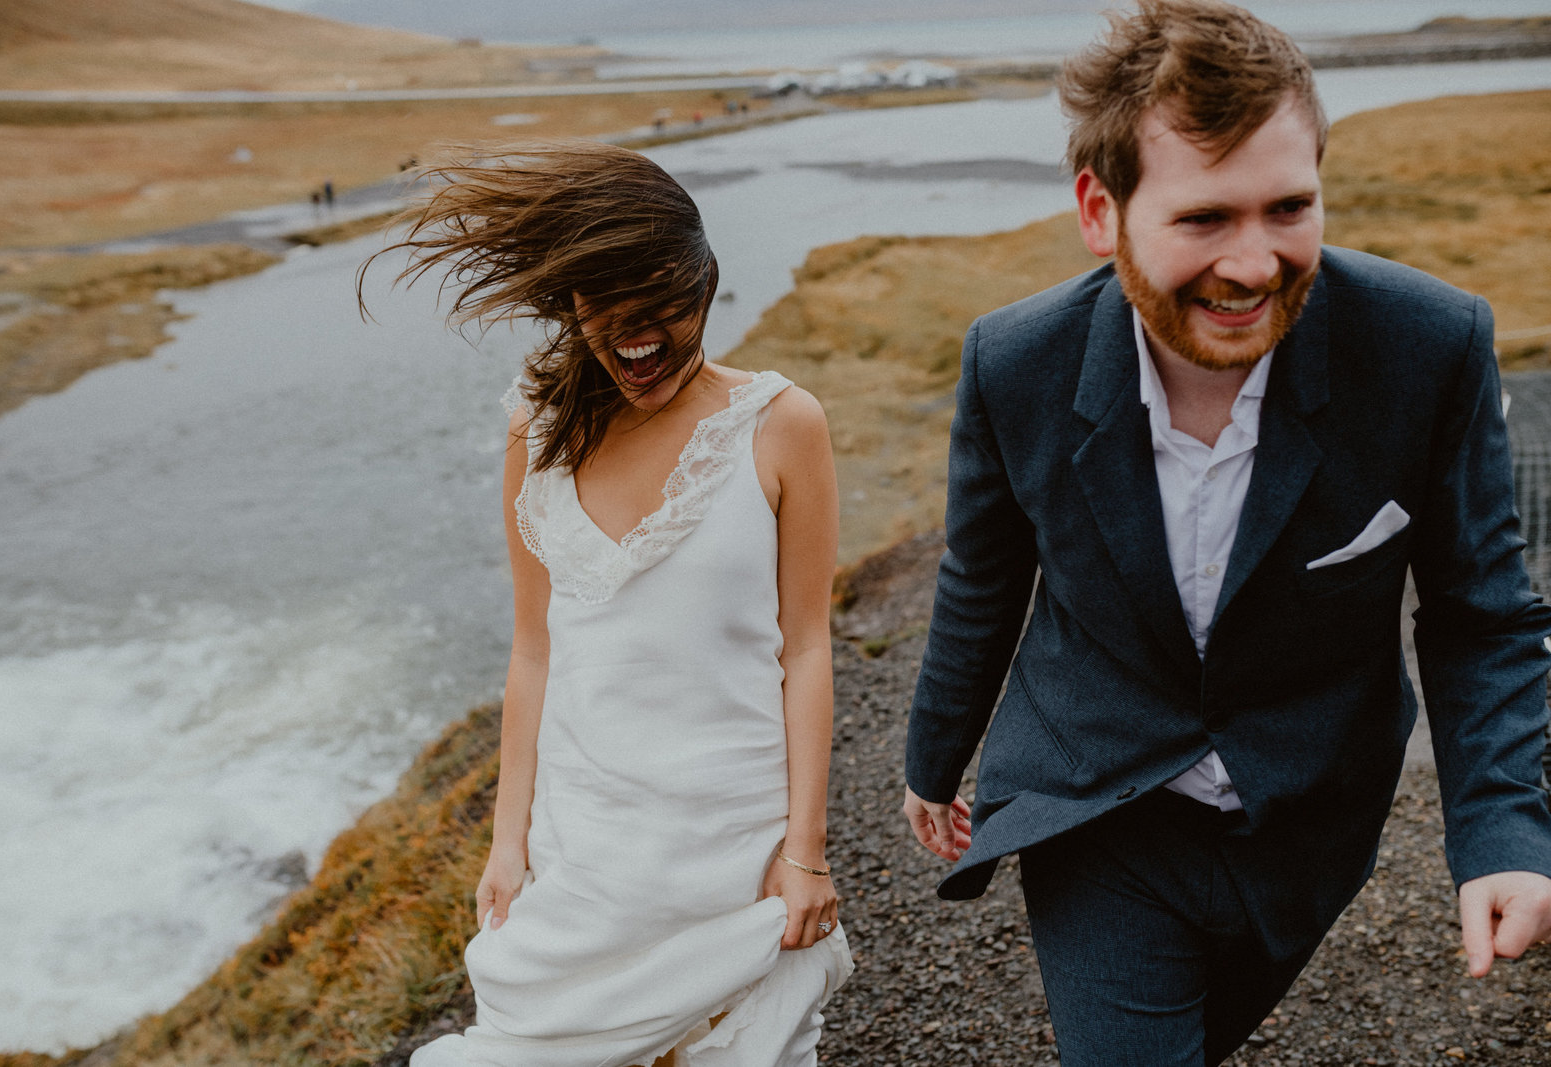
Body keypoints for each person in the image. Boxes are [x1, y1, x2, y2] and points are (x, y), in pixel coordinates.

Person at [900, 2, 1551, 1063]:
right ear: (1098, 212)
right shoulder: (1014, 364)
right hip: (1095, 802)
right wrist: (932, 761)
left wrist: (1504, 833)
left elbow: (1481, 612)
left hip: (1305, 815)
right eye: (1205, 218)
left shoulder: (1428, 344)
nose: (1255, 265)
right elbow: (982, 574)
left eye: (1288, 207)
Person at [367, 142, 852, 1066]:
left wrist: (806, 849)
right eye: (606, 309)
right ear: (571, 305)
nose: (638, 340)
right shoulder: (535, 431)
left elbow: (810, 646)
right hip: (585, 853)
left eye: (662, 307)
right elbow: (532, 653)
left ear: (707, 286)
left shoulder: (783, 424)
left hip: (731, 850)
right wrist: (507, 843)